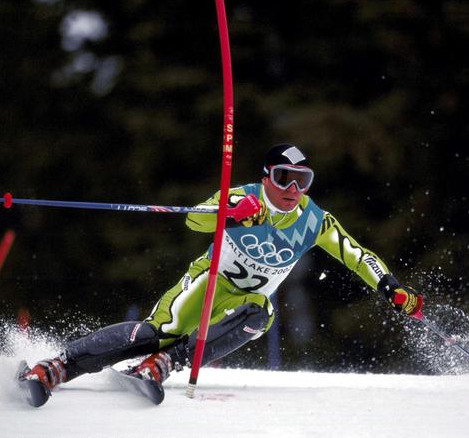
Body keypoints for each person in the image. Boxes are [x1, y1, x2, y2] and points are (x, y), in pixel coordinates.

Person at [22, 144, 423, 399]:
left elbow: (357, 255)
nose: (292, 188)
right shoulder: (242, 197)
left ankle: (163, 364)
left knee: (262, 312)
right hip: (209, 281)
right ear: (267, 177)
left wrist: (391, 287)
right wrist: (228, 213)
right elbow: (193, 221)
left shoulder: (314, 220)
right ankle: (58, 366)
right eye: (284, 177)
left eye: (302, 180)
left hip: (244, 301)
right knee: (159, 332)